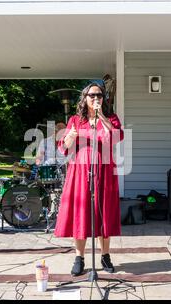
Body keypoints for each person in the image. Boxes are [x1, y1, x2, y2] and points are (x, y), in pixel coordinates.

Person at [54, 83, 124, 276]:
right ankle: (79, 258)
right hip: (80, 172)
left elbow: (118, 136)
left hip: (105, 171)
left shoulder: (110, 118)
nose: (96, 98)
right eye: (92, 95)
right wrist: (70, 137)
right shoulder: (75, 120)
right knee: (81, 214)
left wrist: (101, 116)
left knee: (104, 213)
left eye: (99, 95)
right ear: (84, 98)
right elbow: (63, 148)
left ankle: (105, 256)